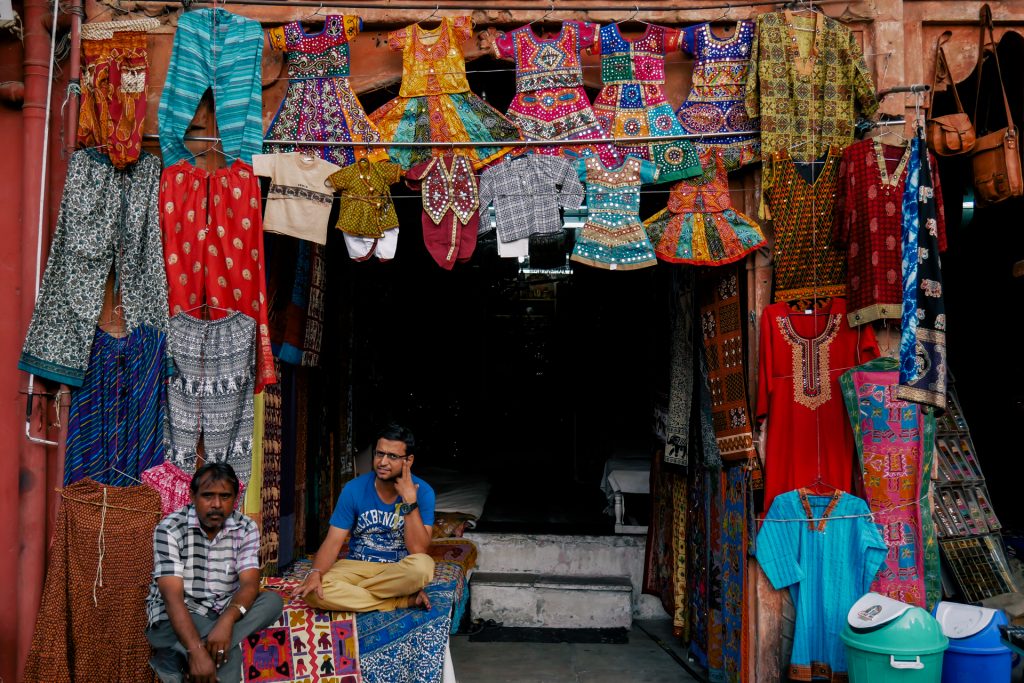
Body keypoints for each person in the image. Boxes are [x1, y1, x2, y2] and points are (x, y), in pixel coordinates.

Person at [145, 462, 284, 683]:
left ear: (235, 498)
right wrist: (196, 651)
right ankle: (193, 649)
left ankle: (178, 654)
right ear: (192, 496)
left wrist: (226, 623)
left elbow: (249, 584)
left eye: (225, 496)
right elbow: (173, 599)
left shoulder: (246, 527)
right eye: (208, 496)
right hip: (179, 612)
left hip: (220, 610)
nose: (216, 504)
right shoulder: (169, 528)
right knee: (229, 656)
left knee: (272, 602)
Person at [293, 423, 437, 611]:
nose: (383, 462)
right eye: (379, 454)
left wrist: (410, 501)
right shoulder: (354, 489)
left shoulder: (423, 492)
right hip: (356, 567)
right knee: (313, 591)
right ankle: (400, 600)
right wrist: (315, 572)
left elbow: (418, 549)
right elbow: (333, 542)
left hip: (397, 570)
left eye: (392, 456)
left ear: (408, 461)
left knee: (424, 567)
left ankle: (354, 594)